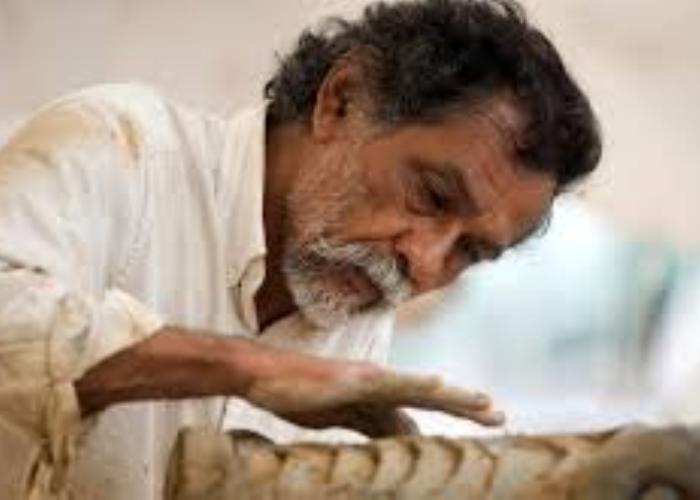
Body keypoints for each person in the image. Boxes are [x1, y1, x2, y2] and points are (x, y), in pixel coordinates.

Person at [0, 0, 601, 498]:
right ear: (341, 100)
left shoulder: (355, 303)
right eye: (431, 194)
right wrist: (249, 370)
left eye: (469, 251)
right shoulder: (121, 148)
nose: (423, 262)